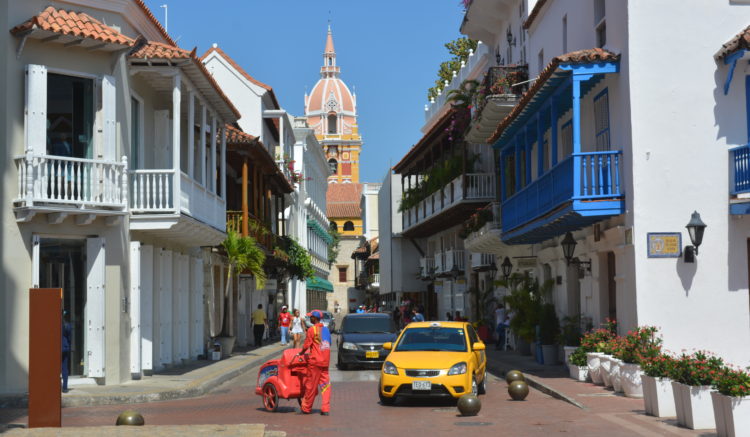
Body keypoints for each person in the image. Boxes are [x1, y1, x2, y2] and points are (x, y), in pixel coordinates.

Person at [299, 310, 331, 415]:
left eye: (311, 317)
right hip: (325, 361)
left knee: (311, 385)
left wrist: (301, 353)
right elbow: (328, 344)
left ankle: (306, 408)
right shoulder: (326, 330)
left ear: (315, 318)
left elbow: (306, 345)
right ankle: (325, 409)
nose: (310, 318)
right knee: (325, 385)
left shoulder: (312, 330)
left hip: (315, 362)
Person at [62, 311, 72, 393]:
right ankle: (65, 388)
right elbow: (69, 338)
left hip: (56, 349)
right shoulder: (67, 325)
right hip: (64, 348)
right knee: (64, 368)